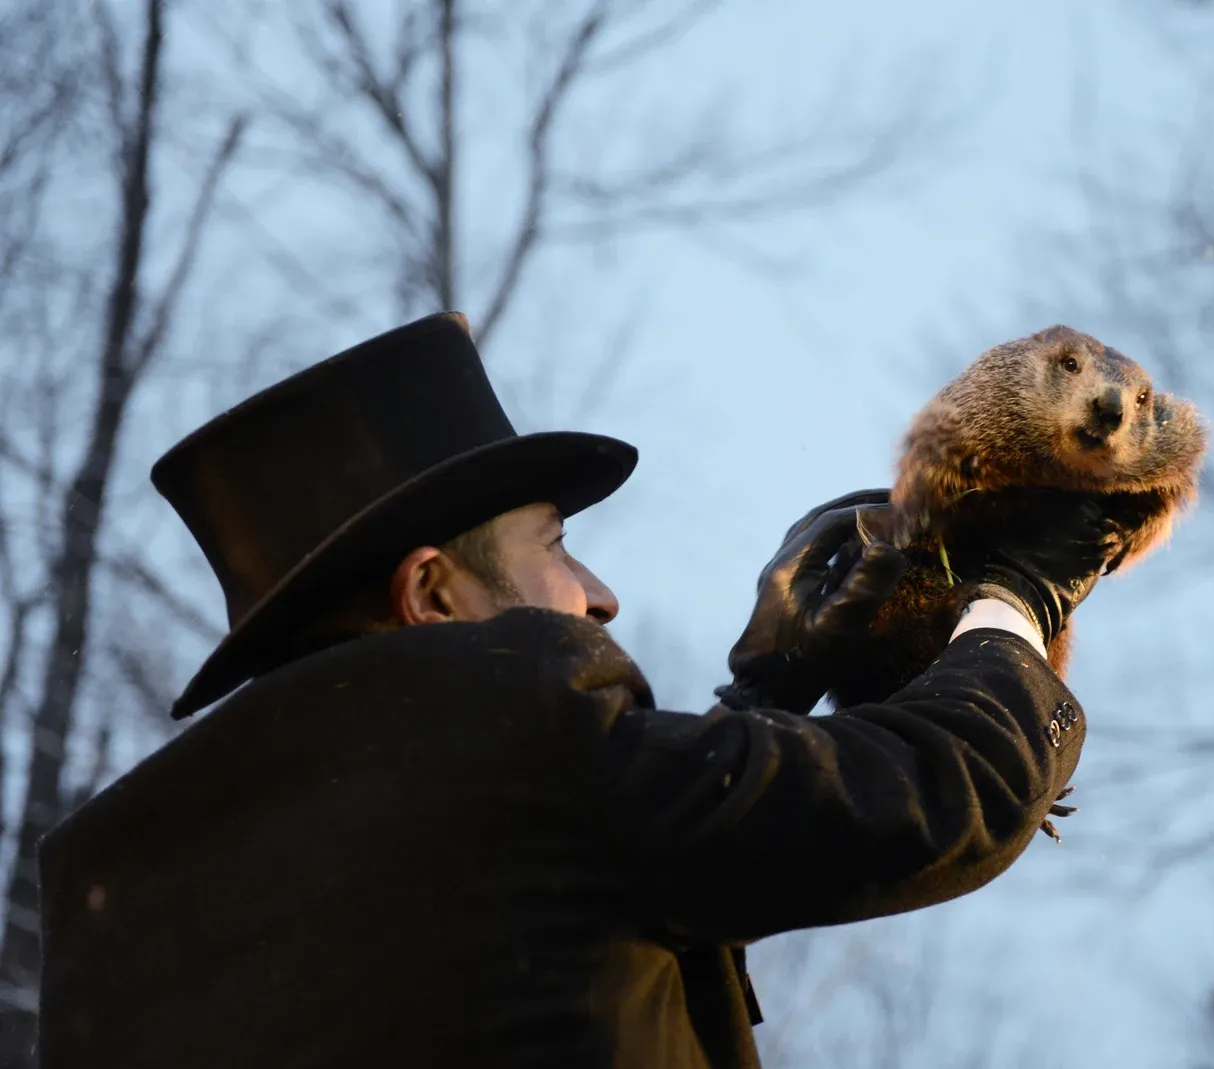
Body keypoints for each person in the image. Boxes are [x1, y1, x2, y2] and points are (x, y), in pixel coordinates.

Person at [30, 312, 1127, 1069]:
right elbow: (931, 795)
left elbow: (550, 892)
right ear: (435, 591)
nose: (598, 596)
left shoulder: (112, 905)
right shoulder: (513, 714)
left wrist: (768, 700)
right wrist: (1013, 601)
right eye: (556, 545)